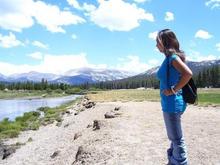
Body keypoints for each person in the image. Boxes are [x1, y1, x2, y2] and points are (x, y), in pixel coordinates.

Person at [156, 29, 192, 165]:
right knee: (173, 136)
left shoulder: (173, 58)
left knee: (176, 138)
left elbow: (188, 74)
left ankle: (180, 162)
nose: (156, 46)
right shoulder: (169, 58)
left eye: (157, 42)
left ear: (164, 42)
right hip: (171, 104)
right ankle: (173, 160)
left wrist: (173, 90)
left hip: (172, 104)